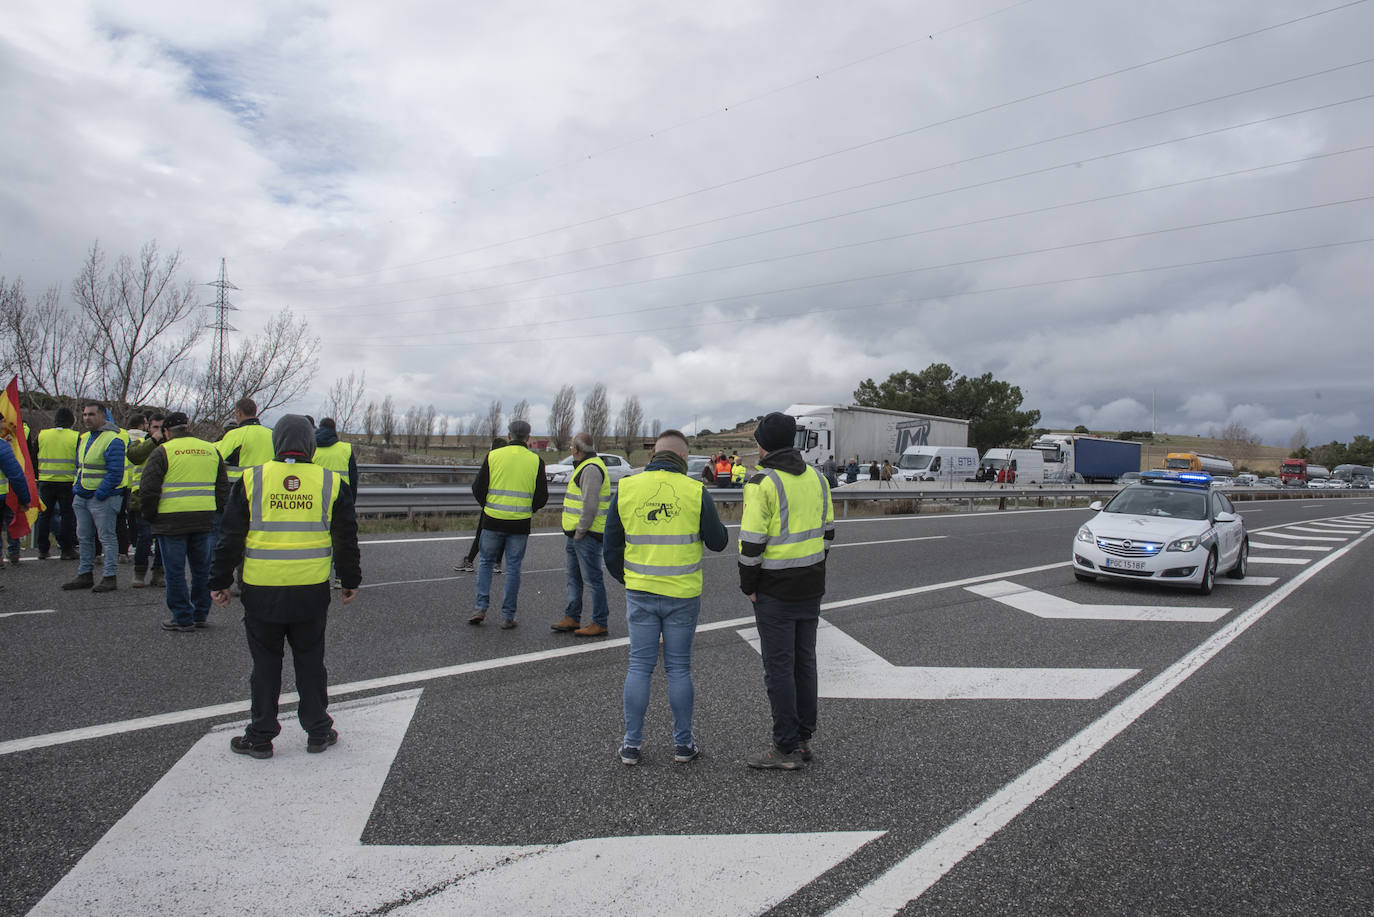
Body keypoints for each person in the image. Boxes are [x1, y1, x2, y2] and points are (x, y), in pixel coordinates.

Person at [211, 414, 360, 758]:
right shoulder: (330, 482)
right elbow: (346, 538)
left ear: (277, 443)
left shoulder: (252, 479)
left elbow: (230, 537)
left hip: (262, 589)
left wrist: (218, 581)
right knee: (311, 661)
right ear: (310, 443)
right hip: (310, 589)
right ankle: (318, 730)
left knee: (265, 665)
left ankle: (261, 735)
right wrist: (349, 580)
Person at [603, 429, 728, 766]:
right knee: (678, 669)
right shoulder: (695, 490)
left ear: (653, 456)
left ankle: (631, 745)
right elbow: (718, 542)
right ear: (685, 459)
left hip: (640, 592)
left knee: (639, 666)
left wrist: (627, 579)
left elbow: (610, 546)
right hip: (682, 595)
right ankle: (683, 745)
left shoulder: (626, 487)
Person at [738, 412, 835, 769]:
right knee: (804, 662)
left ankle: (785, 747)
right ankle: (804, 737)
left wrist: (749, 585)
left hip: (775, 589)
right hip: (811, 585)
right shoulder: (818, 479)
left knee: (779, 667)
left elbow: (751, 544)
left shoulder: (762, 482)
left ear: (762, 443)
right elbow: (828, 535)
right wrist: (812, 567)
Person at [140, 412, 230, 632]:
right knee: (201, 570)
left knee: (175, 571)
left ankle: (182, 617)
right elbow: (222, 488)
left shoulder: (163, 451)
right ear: (188, 428)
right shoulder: (211, 450)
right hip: (204, 518)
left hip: (171, 521)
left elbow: (149, 489)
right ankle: (200, 614)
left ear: (167, 432)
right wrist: (217, 512)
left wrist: (150, 516)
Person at [468, 420, 547, 628]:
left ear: (509, 436)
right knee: (513, 568)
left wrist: (487, 507)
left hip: (492, 520)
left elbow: (478, 488)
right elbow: (541, 496)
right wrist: (530, 509)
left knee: (485, 563)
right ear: (528, 439)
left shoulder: (493, 456)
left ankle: (480, 608)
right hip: (520, 523)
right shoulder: (536, 461)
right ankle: (508, 616)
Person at [550, 432, 611, 637]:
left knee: (592, 579)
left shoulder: (591, 468)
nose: (570, 449)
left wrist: (580, 531)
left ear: (576, 449)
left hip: (586, 534)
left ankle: (599, 621)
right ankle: (572, 616)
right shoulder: (587, 466)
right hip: (577, 533)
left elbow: (590, 505)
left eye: (571, 446)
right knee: (573, 577)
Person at [62, 401, 126, 592]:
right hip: (82, 494)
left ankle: (109, 576)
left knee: (106, 537)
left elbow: (115, 472)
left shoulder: (113, 440)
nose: (86, 418)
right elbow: (80, 466)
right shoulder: (84, 438)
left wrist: (100, 493)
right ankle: (85, 574)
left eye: (91, 414)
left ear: (102, 416)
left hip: (102, 497)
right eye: (84, 415)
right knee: (84, 537)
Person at [124, 413, 166, 588]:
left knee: (163, 537)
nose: (158, 431)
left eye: (161, 428)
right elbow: (135, 455)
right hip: (141, 496)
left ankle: (159, 573)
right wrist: (154, 440)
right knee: (145, 536)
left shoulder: (170, 446)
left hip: (164, 496)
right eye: (154, 427)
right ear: (148, 427)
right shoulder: (141, 442)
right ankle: (139, 572)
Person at [33, 407, 79, 560]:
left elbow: (33, 456)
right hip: (67, 481)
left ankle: (42, 549)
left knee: (44, 515)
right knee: (67, 515)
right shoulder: (76, 436)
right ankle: (66, 549)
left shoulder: (42, 435)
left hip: (45, 480)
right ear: (71, 421)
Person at [456, 437, 506, 574]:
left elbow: (478, 485)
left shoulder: (492, 458)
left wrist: (484, 502)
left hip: (492, 505)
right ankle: (497, 562)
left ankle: (470, 561)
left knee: (482, 533)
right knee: (504, 534)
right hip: (509, 506)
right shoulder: (509, 462)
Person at [0, 428, 32, 591]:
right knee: (9, 523)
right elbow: (16, 475)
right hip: (3, 497)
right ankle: (13, 552)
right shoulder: (2, 447)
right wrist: (25, 498)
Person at [216, 398, 274, 485]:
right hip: (267, 485)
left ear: (239, 412)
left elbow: (217, 457)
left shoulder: (235, 435)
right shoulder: (272, 434)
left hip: (240, 488)